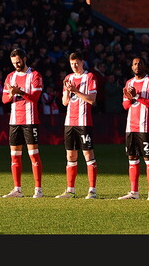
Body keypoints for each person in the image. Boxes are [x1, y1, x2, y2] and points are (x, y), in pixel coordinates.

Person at [1, 48, 45, 198]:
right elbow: (4, 100)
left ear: (25, 58)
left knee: (33, 154)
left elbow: (35, 98)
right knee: (15, 155)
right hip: (15, 121)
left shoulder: (35, 75)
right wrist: (12, 94)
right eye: (14, 63)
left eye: (18, 61)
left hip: (30, 120)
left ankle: (38, 189)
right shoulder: (10, 77)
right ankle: (17, 189)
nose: (17, 65)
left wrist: (21, 93)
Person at [56, 51, 99, 199]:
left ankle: (92, 190)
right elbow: (64, 102)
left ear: (82, 62)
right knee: (70, 155)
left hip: (84, 122)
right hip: (70, 122)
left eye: (77, 63)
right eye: (72, 64)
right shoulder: (68, 78)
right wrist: (68, 92)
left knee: (88, 154)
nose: (74, 66)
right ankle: (70, 190)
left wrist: (76, 91)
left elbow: (92, 100)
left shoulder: (90, 77)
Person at [119, 57, 149, 200]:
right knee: (132, 158)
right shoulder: (129, 83)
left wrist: (138, 96)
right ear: (131, 67)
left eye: (140, 63)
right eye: (135, 64)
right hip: (131, 126)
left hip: (145, 126)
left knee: (148, 158)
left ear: (145, 66)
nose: (137, 66)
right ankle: (134, 192)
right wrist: (130, 98)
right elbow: (125, 106)